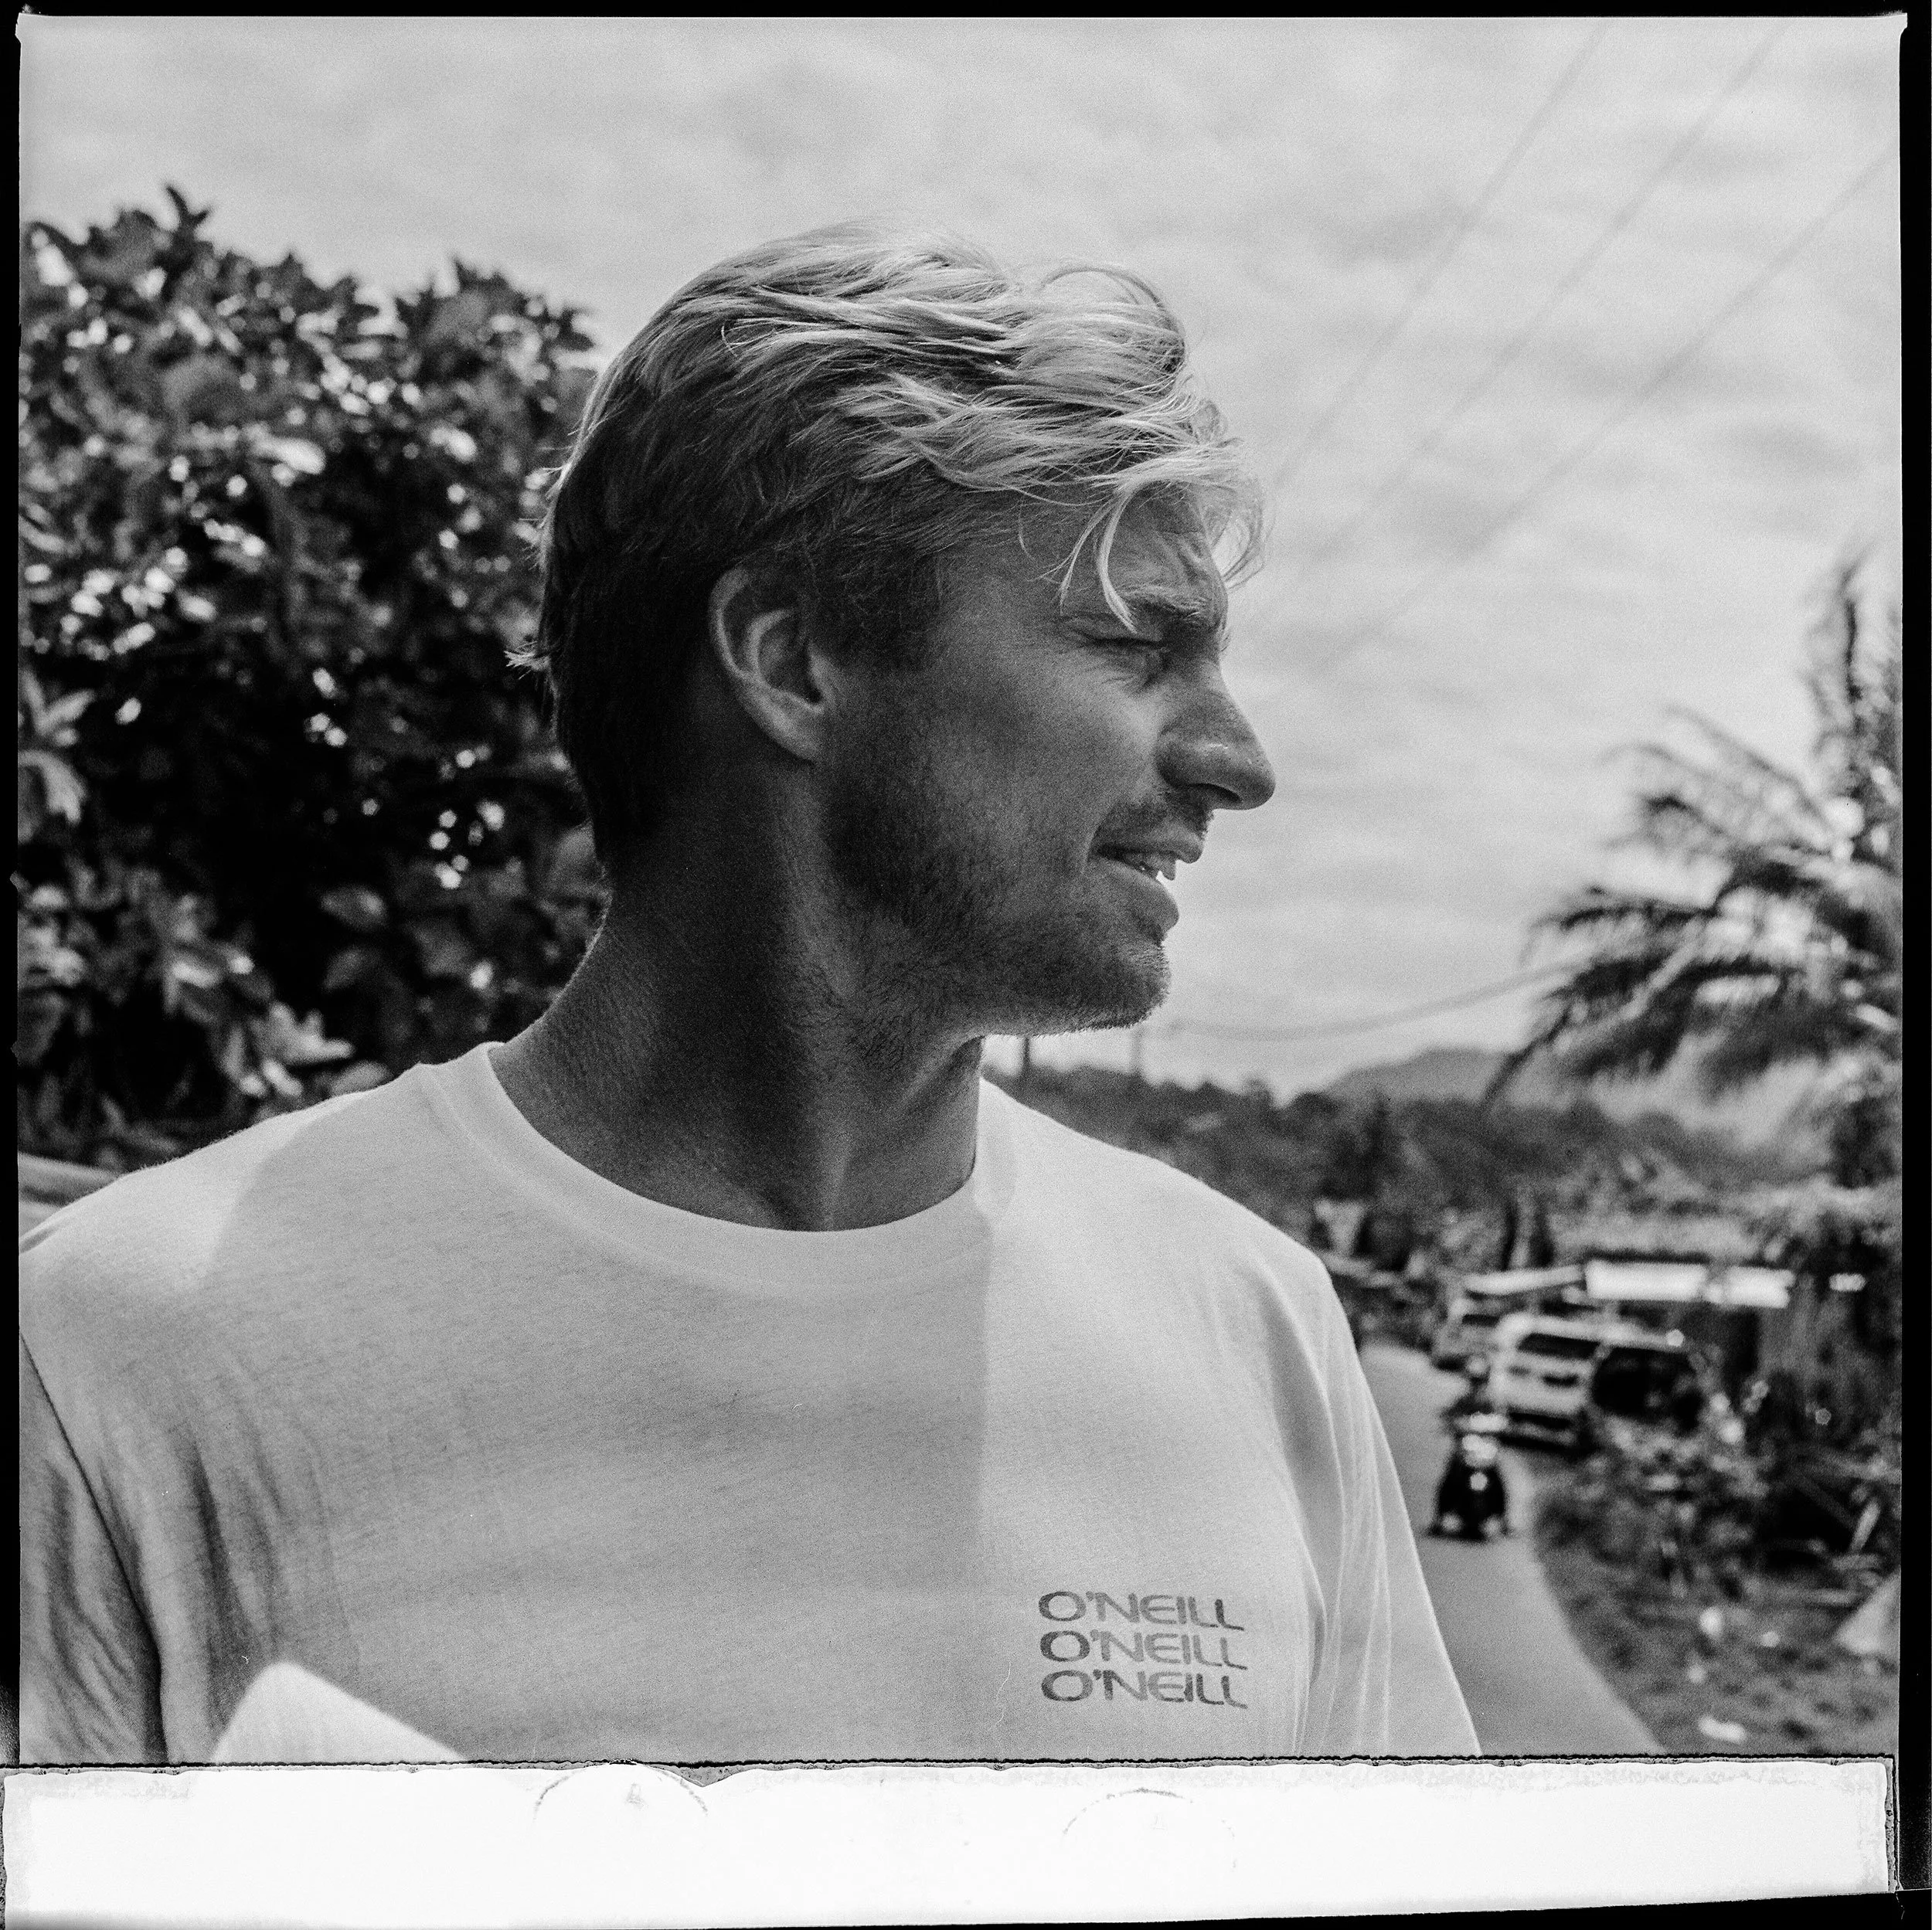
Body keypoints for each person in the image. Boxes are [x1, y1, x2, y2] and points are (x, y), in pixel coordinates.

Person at [20, 224, 1478, 1765]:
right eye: (1134, 646)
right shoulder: (130, 1355)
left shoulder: (1251, 1332)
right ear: (791, 664)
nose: (1235, 764)